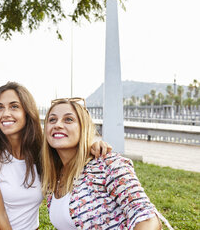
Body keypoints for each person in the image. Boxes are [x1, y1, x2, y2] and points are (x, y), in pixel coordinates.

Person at [0, 82, 111, 230]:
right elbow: (0, 216)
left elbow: (71, 154)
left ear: (27, 112)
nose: (5, 113)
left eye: (14, 106)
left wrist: (92, 146)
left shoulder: (42, 154)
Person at [41, 97, 173, 229]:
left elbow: (147, 219)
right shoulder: (53, 178)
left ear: (83, 128)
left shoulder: (107, 164)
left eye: (68, 119)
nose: (57, 125)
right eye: (52, 120)